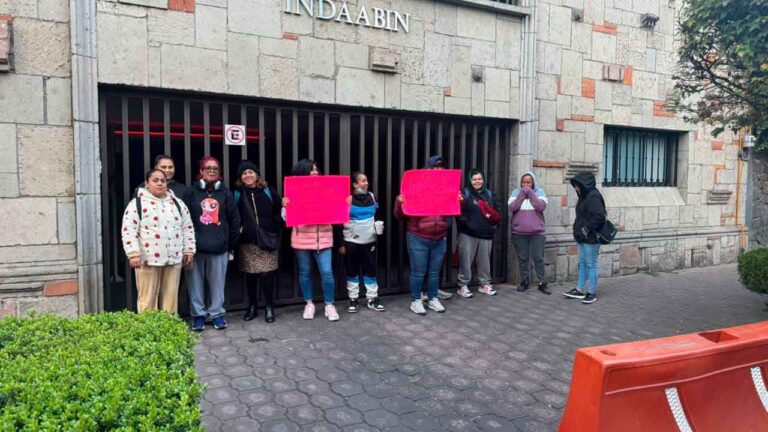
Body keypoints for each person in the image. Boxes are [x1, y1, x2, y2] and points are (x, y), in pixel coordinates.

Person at [395, 155, 463, 315]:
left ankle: (432, 298)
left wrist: (460, 201)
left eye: (442, 168)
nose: (439, 170)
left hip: (439, 237)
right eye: (436, 167)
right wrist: (399, 203)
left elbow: (454, 210)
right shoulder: (416, 186)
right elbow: (400, 216)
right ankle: (416, 300)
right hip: (418, 237)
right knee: (418, 272)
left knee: (434, 272)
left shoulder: (447, 187)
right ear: (429, 169)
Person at [121, 169, 195, 313]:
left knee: (170, 299)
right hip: (147, 259)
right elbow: (128, 230)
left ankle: (169, 325)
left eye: (163, 180)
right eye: (155, 180)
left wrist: (189, 250)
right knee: (147, 299)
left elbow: (187, 228)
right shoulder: (137, 204)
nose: (160, 183)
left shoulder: (177, 203)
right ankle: (149, 326)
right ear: (147, 183)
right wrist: (133, 253)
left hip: (173, 258)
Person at [184, 156, 241, 331]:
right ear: (201, 172)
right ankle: (198, 315)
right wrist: (187, 247)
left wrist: (229, 245)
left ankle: (217, 314)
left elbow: (234, 221)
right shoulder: (191, 192)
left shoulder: (225, 194)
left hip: (219, 249)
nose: (211, 171)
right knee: (195, 284)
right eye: (208, 168)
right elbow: (184, 220)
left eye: (215, 169)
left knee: (217, 285)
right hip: (196, 249)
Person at [282, 159, 343, 322]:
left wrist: (345, 203)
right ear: (302, 172)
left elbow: (338, 211)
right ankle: (309, 303)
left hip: (323, 238)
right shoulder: (294, 191)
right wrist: (286, 206)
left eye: (316, 169)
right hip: (302, 239)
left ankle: (329, 304)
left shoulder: (327, 189)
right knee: (305, 272)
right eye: (311, 170)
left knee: (327, 273)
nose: (315, 172)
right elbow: (286, 219)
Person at [234, 160, 282, 323]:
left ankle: (269, 306)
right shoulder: (238, 194)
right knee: (251, 275)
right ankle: (252, 306)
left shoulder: (269, 191)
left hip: (267, 239)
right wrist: (242, 230)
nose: (248, 175)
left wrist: (273, 226)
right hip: (248, 242)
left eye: (251, 172)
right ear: (241, 177)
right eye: (244, 173)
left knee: (267, 274)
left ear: (257, 175)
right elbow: (233, 216)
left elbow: (280, 212)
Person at [340, 171, 386, 313]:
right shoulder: (347, 199)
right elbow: (339, 221)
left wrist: (378, 226)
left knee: (370, 270)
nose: (366, 183)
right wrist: (341, 244)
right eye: (363, 181)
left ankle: (372, 298)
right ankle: (353, 299)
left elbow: (378, 215)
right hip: (351, 242)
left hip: (369, 241)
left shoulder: (372, 197)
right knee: (352, 271)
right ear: (355, 184)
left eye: (366, 180)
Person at [456, 168, 501, 298]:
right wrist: (466, 223)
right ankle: (462, 285)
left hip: (486, 234)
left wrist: (493, 227)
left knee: (484, 261)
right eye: (474, 179)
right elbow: (458, 211)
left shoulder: (490, 195)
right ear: (470, 180)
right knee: (466, 260)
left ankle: (484, 284)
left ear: (483, 180)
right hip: (468, 233)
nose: (477, 181)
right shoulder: (465, 194)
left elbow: (498, 211)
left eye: (479, 179)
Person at [563, 172, 606, 304]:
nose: (576, 188)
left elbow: (599, 216)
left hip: (591, 239)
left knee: (591, 264)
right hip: (582, 238)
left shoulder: (593, 196)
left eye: (578, 185)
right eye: (575, 185)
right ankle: (579, 290)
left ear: (584, 184)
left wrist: (586, 229)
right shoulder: (584, 196)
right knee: (582, 264)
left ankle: (591, 293)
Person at [508, 172, 550, 294]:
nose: (525, 185)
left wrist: (530, 192)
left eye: (528, 182)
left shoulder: (540, 192)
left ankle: (542, 283)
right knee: (523, 259)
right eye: (523, 182)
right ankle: (524, 281)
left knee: (538, 258)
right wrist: (522, 193)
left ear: (533, 183)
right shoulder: (515, 193)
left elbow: (540, 207)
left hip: (537, 233)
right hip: (519, 233)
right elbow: (512, 208)